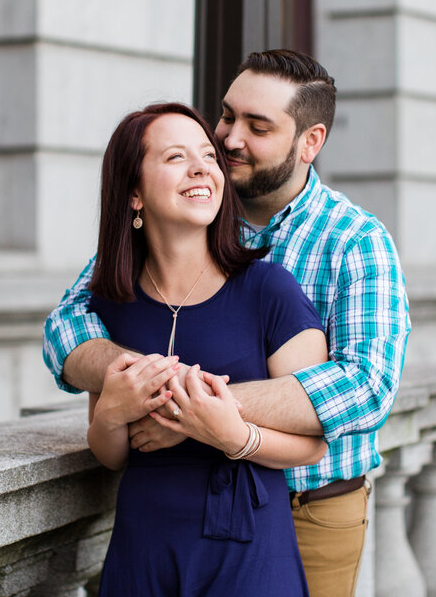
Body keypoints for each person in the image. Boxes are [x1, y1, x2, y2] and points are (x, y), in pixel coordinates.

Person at [44, 50, 411, 597]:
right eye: (227, 116)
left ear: (310, 142)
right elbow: (66, 326)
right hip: (171, 516)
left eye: (257, 127)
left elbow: (367, 386)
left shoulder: (354, 240)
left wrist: (194, 409)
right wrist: (138, 385)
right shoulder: (189, 216)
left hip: (310, 505)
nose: (229, 139)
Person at [84, 102, 329, 596]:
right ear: (134, 192)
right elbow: (113, 456)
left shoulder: (269, 290)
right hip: (144, 548)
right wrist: (110, 416)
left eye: (208, 156)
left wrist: (233, 435)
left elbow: (314, 442)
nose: (202, 168)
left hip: (248, 552)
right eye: (176, 157)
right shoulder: (111, 301)